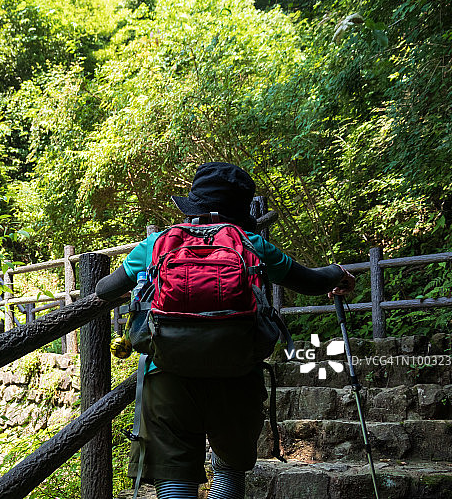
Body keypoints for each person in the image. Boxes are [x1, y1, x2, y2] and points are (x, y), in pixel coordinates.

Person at [95, 162, 355, 499]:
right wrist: (338, 273)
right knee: (229, 469)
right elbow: (312, 281)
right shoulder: (251, 243)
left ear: (192, 207)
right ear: (240, 210)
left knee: (174, 476)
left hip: (167, 375)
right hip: (238, 373)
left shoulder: (157, 244)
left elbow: (105, 289)